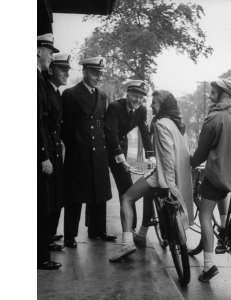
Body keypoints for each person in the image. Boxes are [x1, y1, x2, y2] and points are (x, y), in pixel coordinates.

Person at [109, 90, 193, 262]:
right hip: (176, 174)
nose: (150, 106)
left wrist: (167, 183)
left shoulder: (161, 124)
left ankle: (127, 243)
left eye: (154, 103)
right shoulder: (177, 124)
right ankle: (142, 232)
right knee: (148, 194)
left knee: (126, 198)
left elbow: (167, 158)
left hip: (163, 176)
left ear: (162, 106)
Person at [190, 79, 231, 282]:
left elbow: (201, 152)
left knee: (205, 215)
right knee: (222, 194)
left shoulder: (214, 118)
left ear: (225, 93)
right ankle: (225, 231)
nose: (210, 95)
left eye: (214, 92)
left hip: (218, 175)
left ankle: (208, 266)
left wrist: (190, 162)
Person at [62, 56, 116, 248]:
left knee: (99, 194)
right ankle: (70, 236)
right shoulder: (70, 94)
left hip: (99, 153)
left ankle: (97, 231)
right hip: (79, 154)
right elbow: (66, 128)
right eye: (94, 72)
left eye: (100, 73)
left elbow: (101, 125)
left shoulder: (102, 96)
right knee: (75, 197)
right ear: (84, 71)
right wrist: (76, 146)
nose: (97, 77)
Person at [104, 80, 155, 236]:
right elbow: (111, 134)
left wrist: (151, 155)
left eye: (141, 98)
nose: (137, 101)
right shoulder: (115, 107)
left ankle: (130, 228)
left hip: (120, 149)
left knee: (126, 188)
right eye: (135, 96)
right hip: (105, 148)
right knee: (100, 187)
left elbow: (144, 132)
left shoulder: (141, 110)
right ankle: (96, 229)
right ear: (128, 94)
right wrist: (121, 158)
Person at [37, 33, 61, 270]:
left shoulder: (40, 78)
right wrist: (43, 154)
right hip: (40, 151)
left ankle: (42, 250)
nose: (50, 57)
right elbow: (36, 121)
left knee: (46, 203)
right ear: (38, 51)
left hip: (47, 147)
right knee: (40, 205)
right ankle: (39, 256)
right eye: (49, 52)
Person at [43, 53, 71, 251]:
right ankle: (40, 247)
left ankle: (48, 237)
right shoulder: (42, 90)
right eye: (62, 69)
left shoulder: (56, 93)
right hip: (46, 154)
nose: (66, 74)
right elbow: (40, 126)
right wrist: (44, 156)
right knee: (45, 201)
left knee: (56, 198)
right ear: (51, 70)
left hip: (55, 152)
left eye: (68, 70)